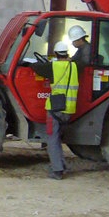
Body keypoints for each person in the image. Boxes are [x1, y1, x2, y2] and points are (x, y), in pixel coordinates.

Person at [32, 40, 79, 179]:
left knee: (52, 139)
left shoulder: (53, 66)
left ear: (57, 54)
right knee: (57, 138)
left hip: (55, 108)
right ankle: (61, 165)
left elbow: (36, 67)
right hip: (69, 109)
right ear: (67, 53)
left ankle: (57, 170)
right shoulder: (74, 66)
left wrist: (48, 61)